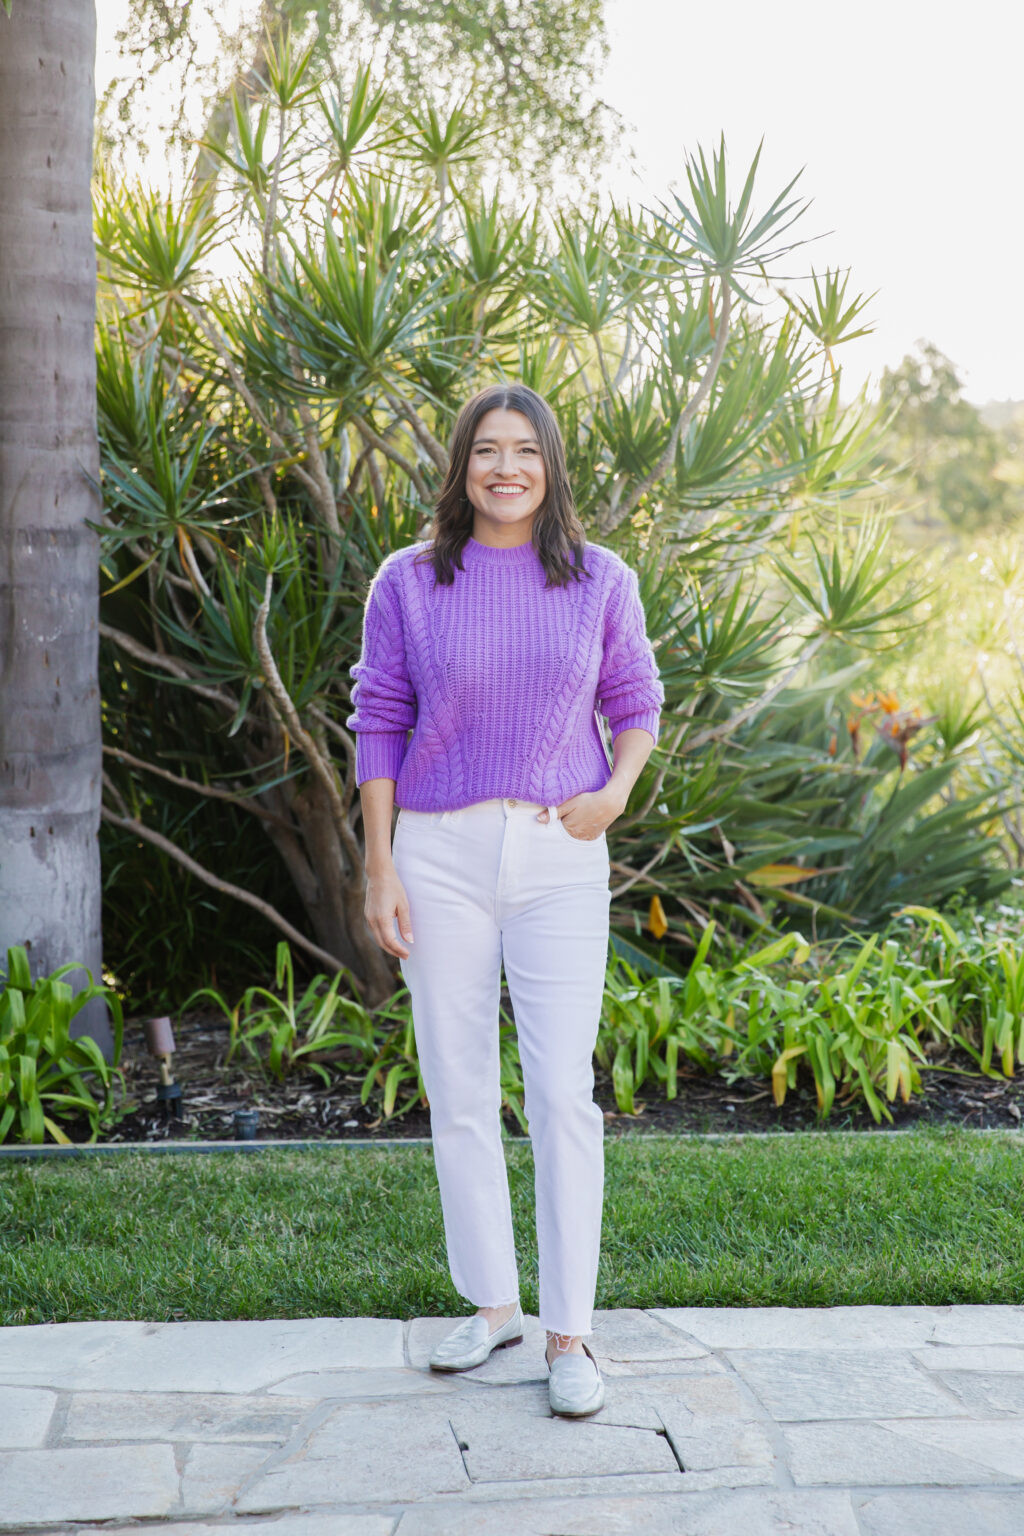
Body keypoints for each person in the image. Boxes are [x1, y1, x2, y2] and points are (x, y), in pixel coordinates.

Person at [345, 381, 664, 1418]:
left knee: (562, 1093)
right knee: (459, 1084)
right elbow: (379, 720)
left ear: (550, 465)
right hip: (436, 853)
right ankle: (491, 1307)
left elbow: (637, 704)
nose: (506, 468)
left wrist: (610, 797)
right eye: (487, 449)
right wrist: (379, 864)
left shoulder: (599, 578)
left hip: (556, 852)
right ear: (461, 465)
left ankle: (569, 1333)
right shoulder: (407, 580)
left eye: (525, 450)